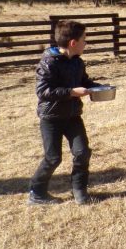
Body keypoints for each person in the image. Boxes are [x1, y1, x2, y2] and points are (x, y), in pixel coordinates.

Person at [29, 20, 103, 205]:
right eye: (84, 39)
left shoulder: (77, 62)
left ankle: (80, 192)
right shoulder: (49, 62)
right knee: (53, 158)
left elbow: (84, 82)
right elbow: (43, 91)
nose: (86, 43)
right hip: (51, 117)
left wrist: (99, 88)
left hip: (72, 115)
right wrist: (71, 92)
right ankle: (36, 193)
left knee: (82, 152)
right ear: (73, 43)